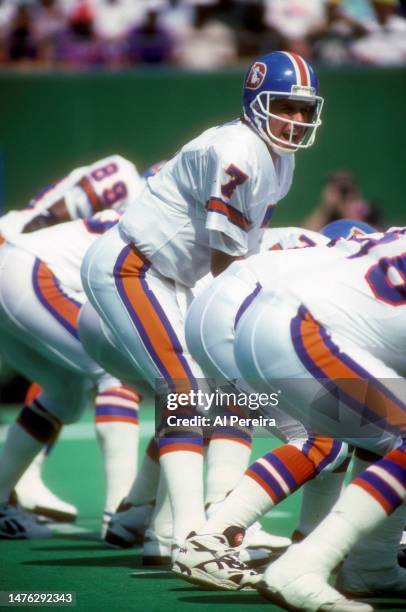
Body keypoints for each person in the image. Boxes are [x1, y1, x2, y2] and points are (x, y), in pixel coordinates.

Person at [80, 49, 324, 584]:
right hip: (133, 268)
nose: (298, 120)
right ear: (257, 102)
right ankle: (191, 537)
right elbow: (226, 260)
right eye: (287, 106)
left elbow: (241, 255)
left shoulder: (277, 159)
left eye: (306, 111)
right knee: (187, 392)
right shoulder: (238, 148)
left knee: (218, 390)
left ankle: (165, 532)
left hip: (173, 278)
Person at [180, 224, 406, 609]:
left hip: (242, 306)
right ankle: (212, 536)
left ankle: (366, 563)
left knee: (374, 432)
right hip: (270, 314)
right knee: (323, 440)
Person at [0, 154, 145, 526]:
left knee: (65, 390)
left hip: (19, 264)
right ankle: (120, 512)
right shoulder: (139, 202)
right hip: (20, 262)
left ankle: (7, 492)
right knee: (113, 370)